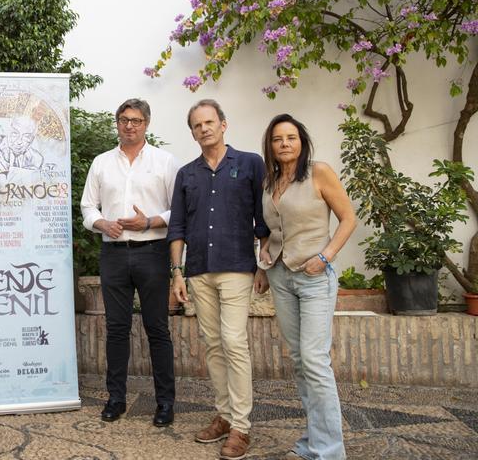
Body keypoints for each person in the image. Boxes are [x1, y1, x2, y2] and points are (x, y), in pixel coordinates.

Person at [168, 99, 269, 460]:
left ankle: (241, 425)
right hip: (198, 269)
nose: (204, 129)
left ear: (223, 125)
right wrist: (176, 272)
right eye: (197, 125)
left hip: (237, 266)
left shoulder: (250, 164)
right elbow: (177, 226)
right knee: (212, 343)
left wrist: (263, 265)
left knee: (233, 341)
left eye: (209, 122)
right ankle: (224, 416)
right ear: (192, 132)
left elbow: (263, 218)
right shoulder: (187, 174)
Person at [256, 114, 356, 460]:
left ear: (302, 141)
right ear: (270, 145)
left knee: (315, 360)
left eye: (291, 137)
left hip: (315, 276)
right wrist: (262, 267)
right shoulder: (269, 182)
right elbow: (270, 230)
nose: (285, 144)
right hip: (280, 277)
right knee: (300, 361)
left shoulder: (319, 172)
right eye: (278, 139)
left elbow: (348, 218)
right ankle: (314, 441)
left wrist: (327, 256)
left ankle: (329, 451)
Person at [81, 98, 180, 427]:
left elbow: (177, 212)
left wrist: (149, 221)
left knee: (157, 329)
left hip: (151, 251)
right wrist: (102, 224)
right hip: (113, 253)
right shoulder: (101, 163)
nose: (129, 125)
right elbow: (87, 208)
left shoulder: (165, 162)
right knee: (117, 329)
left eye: (136, 120)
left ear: (147, 123)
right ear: (117, 123)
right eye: (124, 120)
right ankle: (116, 398)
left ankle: (165, 403)